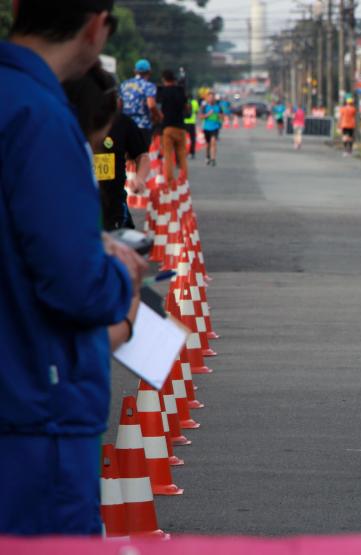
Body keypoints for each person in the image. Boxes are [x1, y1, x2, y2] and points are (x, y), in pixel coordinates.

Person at [1, 0, 147, 535]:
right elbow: (76, 285)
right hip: (35, 414)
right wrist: (120, 274)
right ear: (95, 27)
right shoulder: (40, 118)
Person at [66, 69, 151, 231]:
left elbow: (142, 156)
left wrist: (140, 178)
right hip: (74, 209)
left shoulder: (123, 123)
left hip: (113, 208)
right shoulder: (67, 122)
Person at [156, 69, 189, 184]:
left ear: (164, 79)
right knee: (181, 154)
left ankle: (170, 180)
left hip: (167, 127)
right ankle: (183, 179)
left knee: (168, 156)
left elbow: (157, 107)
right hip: (180, 127)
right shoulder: (180, 91)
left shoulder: (161, 92)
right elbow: (186, 107)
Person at [120, 57, 160, 143]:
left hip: (125, 126)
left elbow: (119, 104)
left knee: (126, 155)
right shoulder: (149, 86)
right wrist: (159, 116)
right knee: (142, 155)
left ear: (135, 71)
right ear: (149, 72)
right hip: (142, 126)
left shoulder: (124, 84)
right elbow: (151, 105)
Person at [201, 91, 222, 166]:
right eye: (210, 97)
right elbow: (201, 117)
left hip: (215, 127)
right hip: (206, 127)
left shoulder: (218, 107)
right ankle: (207, 156)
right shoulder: (205, 107)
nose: (211, 99)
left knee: (213, 142)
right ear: (207, 98)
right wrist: (208, 114)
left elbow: (222, 117)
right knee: (208, 144)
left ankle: (213, 159)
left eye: (212, 98)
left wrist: (220, 117)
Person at [184, 93, 199, 160]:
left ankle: (183, 152)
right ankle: (192, 153)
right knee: (192, 138)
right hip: (192, 122)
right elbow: (196, 111)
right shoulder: (195, 102)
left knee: (183, 139)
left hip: (184, 122)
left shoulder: (183, 102)